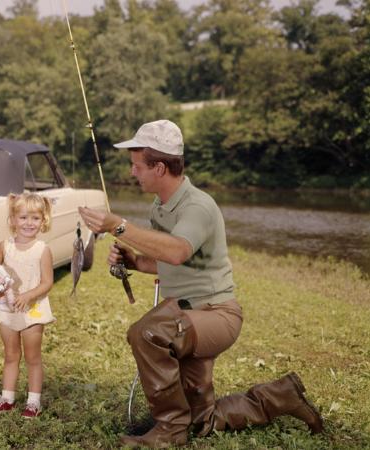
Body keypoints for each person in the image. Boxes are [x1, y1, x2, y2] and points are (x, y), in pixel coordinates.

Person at [78, 120, 323, 447]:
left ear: (160, 168)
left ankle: (168, 430)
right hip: (184, 319)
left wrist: (119, 226)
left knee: (147, 332)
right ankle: (283, 396)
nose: (132, 173)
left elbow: (178, 251)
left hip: (216, 317)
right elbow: (168, 259)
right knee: (202, 420)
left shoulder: (198, 206)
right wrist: (136, 261)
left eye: (137, 167)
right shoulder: (160, 206)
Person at [0, 193, 55, 418]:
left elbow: (47, 282)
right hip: (7, 310)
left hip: (32, 310)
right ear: (13, 220)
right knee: (11, 354)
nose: (28, 223)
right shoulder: (5, 246)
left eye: (35, 218)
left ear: (43, 221)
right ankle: (7, 398)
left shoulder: (42, 249)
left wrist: (29, 295)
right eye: (23, 217)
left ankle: (33, 402)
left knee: (33, 357)